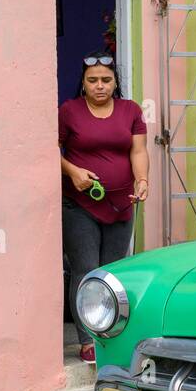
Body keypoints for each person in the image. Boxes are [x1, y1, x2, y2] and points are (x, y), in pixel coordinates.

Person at [59, 54, 148, 363]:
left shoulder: (131, 111)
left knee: (113, 273)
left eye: (106, 80)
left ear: (115, 82)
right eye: (93, 80)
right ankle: (87, 340)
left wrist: (142, 179)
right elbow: (50, 150)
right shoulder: (69, 111)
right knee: (85, 270)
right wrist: (72, 171)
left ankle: (111, 334)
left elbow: (138, 150)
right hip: (79, 205)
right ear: (83, 84)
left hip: (121, 203)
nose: (100, 86)